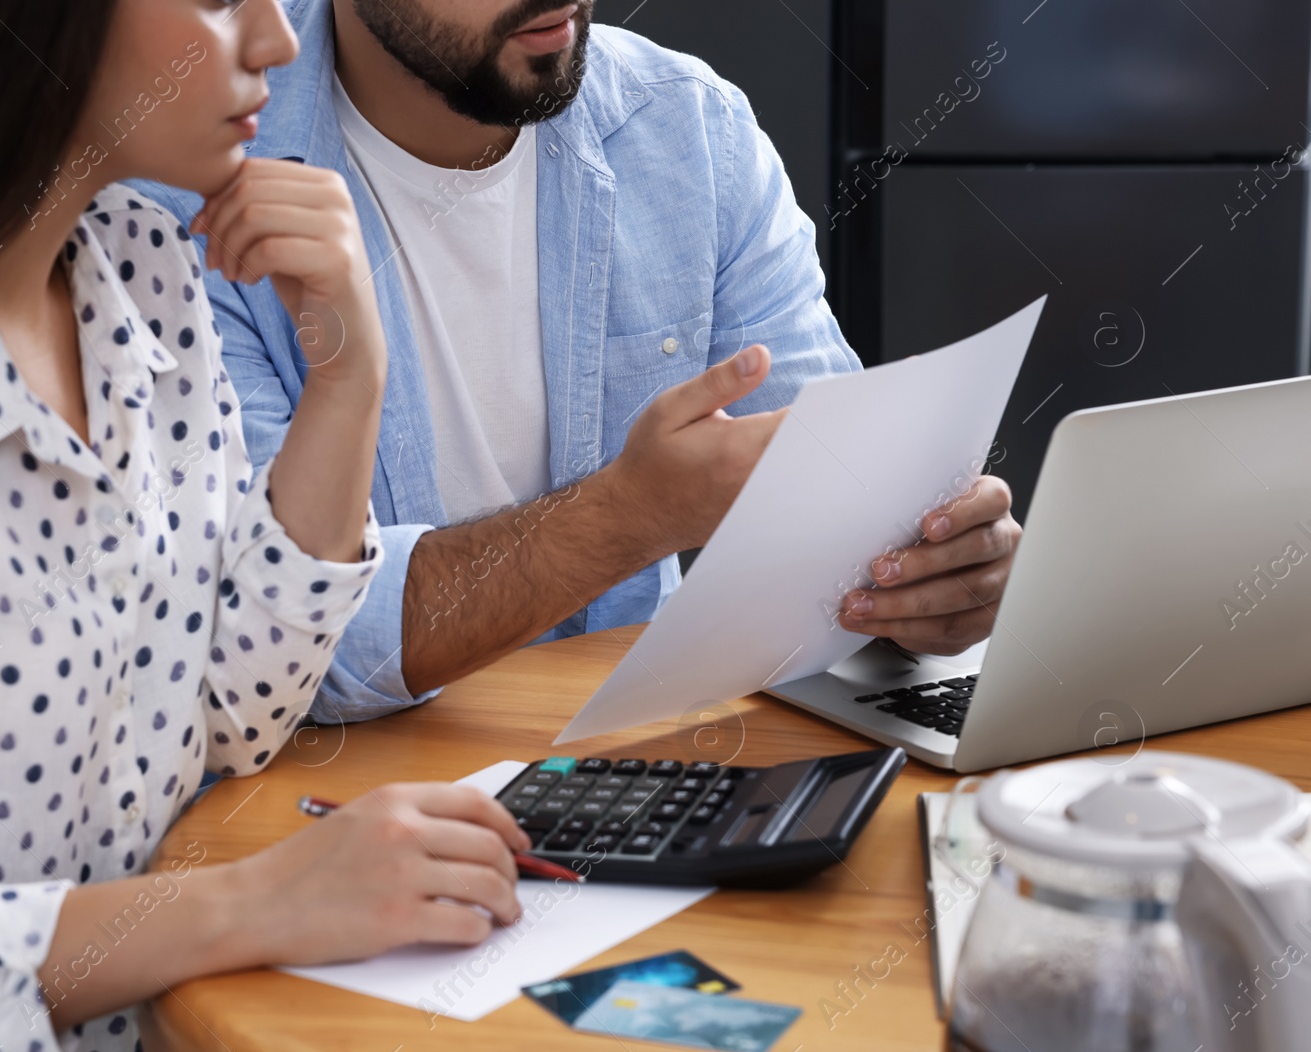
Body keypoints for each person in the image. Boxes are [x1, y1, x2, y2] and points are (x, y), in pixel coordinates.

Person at [0, 3, 532, 1052]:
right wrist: (247, 902)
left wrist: (347, 378)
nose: (280, 44)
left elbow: (228, 713)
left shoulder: (139, 271)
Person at [135, 0, 1024, 725]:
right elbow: (267, 648)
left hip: (638, 783)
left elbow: (838, 517)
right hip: (340, 830)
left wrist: (926, 574)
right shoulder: (184, 187)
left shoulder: (686, 128)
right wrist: (628, 515)